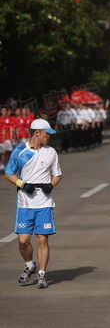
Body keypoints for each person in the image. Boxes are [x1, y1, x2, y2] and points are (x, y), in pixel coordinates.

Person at [4, 119, 62, 289]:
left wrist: (51, 184)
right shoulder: (20, 151)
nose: (49, 137)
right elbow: (9, 173)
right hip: (24, 203)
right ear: (37, 133)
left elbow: (57, 174)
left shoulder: (51, 152)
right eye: (47, 133)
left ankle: (42, 274)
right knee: (23, 241)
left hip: (44, 203)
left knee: (42, 239)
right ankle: (30, 265)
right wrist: (22, 184)